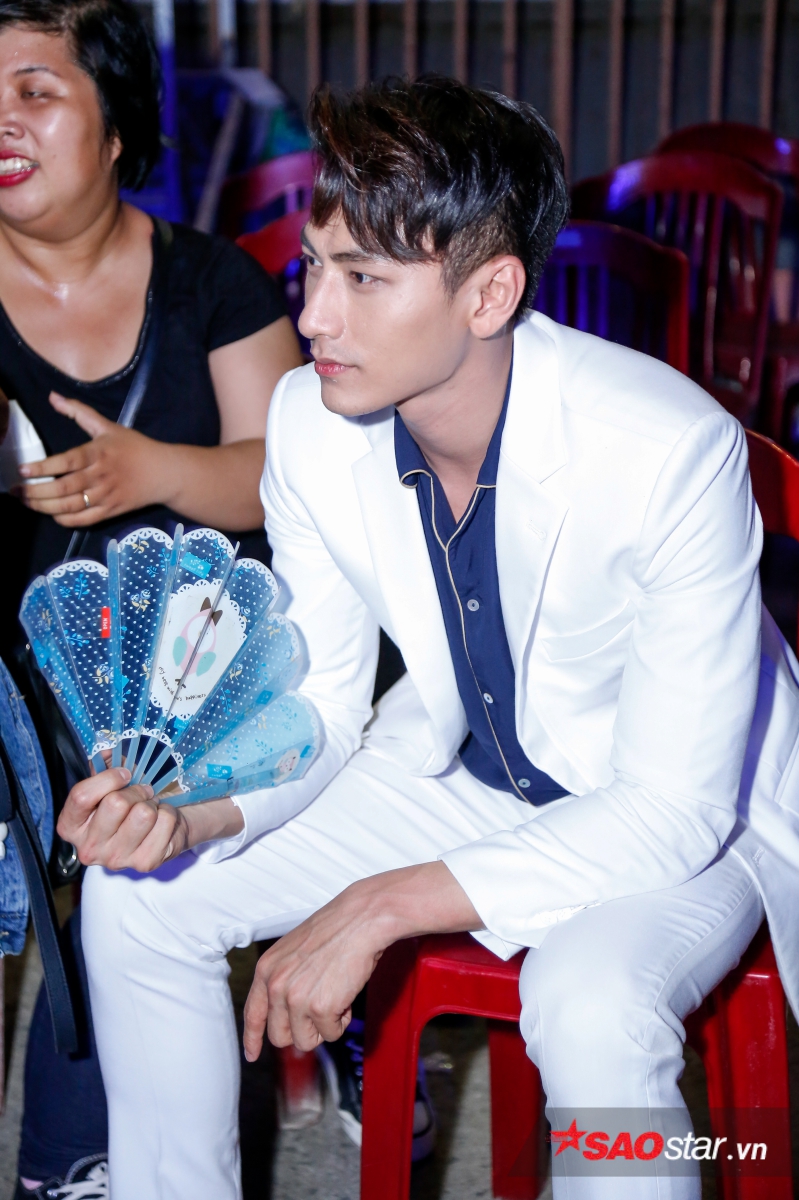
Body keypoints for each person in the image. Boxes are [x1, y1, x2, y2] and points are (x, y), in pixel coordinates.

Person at [57, 75, 799, 1200]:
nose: (315, 317)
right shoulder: (311, 423)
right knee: (142, 895)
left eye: (363, 278)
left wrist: (382, 903)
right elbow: (320, 695)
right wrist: (193, 811)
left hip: (687, 807)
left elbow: (669, 809)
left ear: (489, 293)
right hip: (467, 771)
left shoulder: (666, 450)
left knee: (588, 1002)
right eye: (315, 267)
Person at [0, 1, 301, 1195]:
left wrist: (153, 472)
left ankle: (78, 1159)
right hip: (12, 677)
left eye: (35, 91)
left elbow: (286, 477)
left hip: (187, 682)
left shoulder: (215, 284)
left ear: (117, 122)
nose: (2, 122)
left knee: (129, 833)